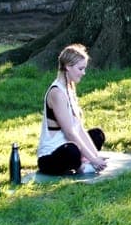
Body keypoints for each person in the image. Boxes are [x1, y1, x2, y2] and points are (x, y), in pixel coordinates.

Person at [36, 44, 108, 175]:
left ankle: (83, 161)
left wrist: (95, 156)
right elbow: (70, 133)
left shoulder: (69, 88)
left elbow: (79, 129)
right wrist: (94, 160)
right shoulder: (57, 93)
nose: (83, 73)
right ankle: (81, 165)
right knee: (72, 150)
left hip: (70, 145)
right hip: (51, 156)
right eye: (80, 69)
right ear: (68, 67)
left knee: (97, 135)